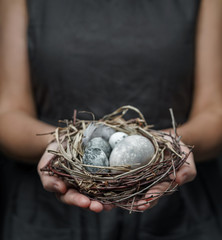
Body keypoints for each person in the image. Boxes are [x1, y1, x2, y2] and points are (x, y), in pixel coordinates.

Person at [0, 0, 222, 239]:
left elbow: (215, 111)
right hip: (49, 214)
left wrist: (168, 146)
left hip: (175, 210)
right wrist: (60, 146)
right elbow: (8, 113)